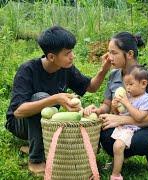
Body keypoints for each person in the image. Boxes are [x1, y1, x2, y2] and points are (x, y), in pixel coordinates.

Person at [5, 26, 111, 174]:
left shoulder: (66, 68)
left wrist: (104, 69)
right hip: (20, 124)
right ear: (51, 57)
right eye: (67, 53)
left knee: (69, 111)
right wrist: (55, 98)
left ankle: (38, 144)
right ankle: (35, 159)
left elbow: (91, 87)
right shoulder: (28, 70)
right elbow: (18, 111)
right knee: (40, 97)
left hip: (46, 122)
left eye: (71, 51)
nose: (72, 56)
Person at [84, 32, 148, 174]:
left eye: (114, 53)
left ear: (129, 54)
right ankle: (118, 157)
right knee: (104, 135)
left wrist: (121, 119)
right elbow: (106, 105)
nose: (109, 57)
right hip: (121, 127)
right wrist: (97, 111)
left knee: (144, 141)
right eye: (108, 52)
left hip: (141, 127)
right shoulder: (114, 75)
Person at [110, 65, 148, 180]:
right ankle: (118, 163)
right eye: (126, 85)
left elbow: (139, 117)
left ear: (143, 84)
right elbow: (119, 113)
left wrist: (126, 103)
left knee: (118, 146)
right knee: (110, 141)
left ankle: (116, 174)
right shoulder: (129, 96)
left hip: (132, 128)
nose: (128, 88)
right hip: (122, 125)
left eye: (131, 84)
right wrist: (115, 106)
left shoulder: (146, 99)